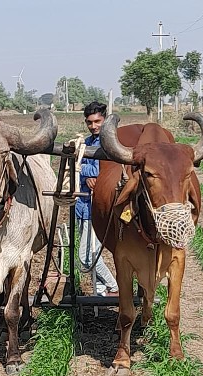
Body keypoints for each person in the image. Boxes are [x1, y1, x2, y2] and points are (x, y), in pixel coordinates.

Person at [75, 102, 119, 296]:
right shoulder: (85, 142)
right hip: (83, 205)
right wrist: (85, 173)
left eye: (97, 121)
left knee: (87, 257)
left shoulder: (111, 143)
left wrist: (80, 169)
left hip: (100, 207)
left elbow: (105, 170)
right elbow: (81, 168)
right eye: (89, 122)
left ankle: (114, 286)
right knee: (92, 251)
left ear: (105, 119)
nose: (93, 126)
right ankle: (101, 296)